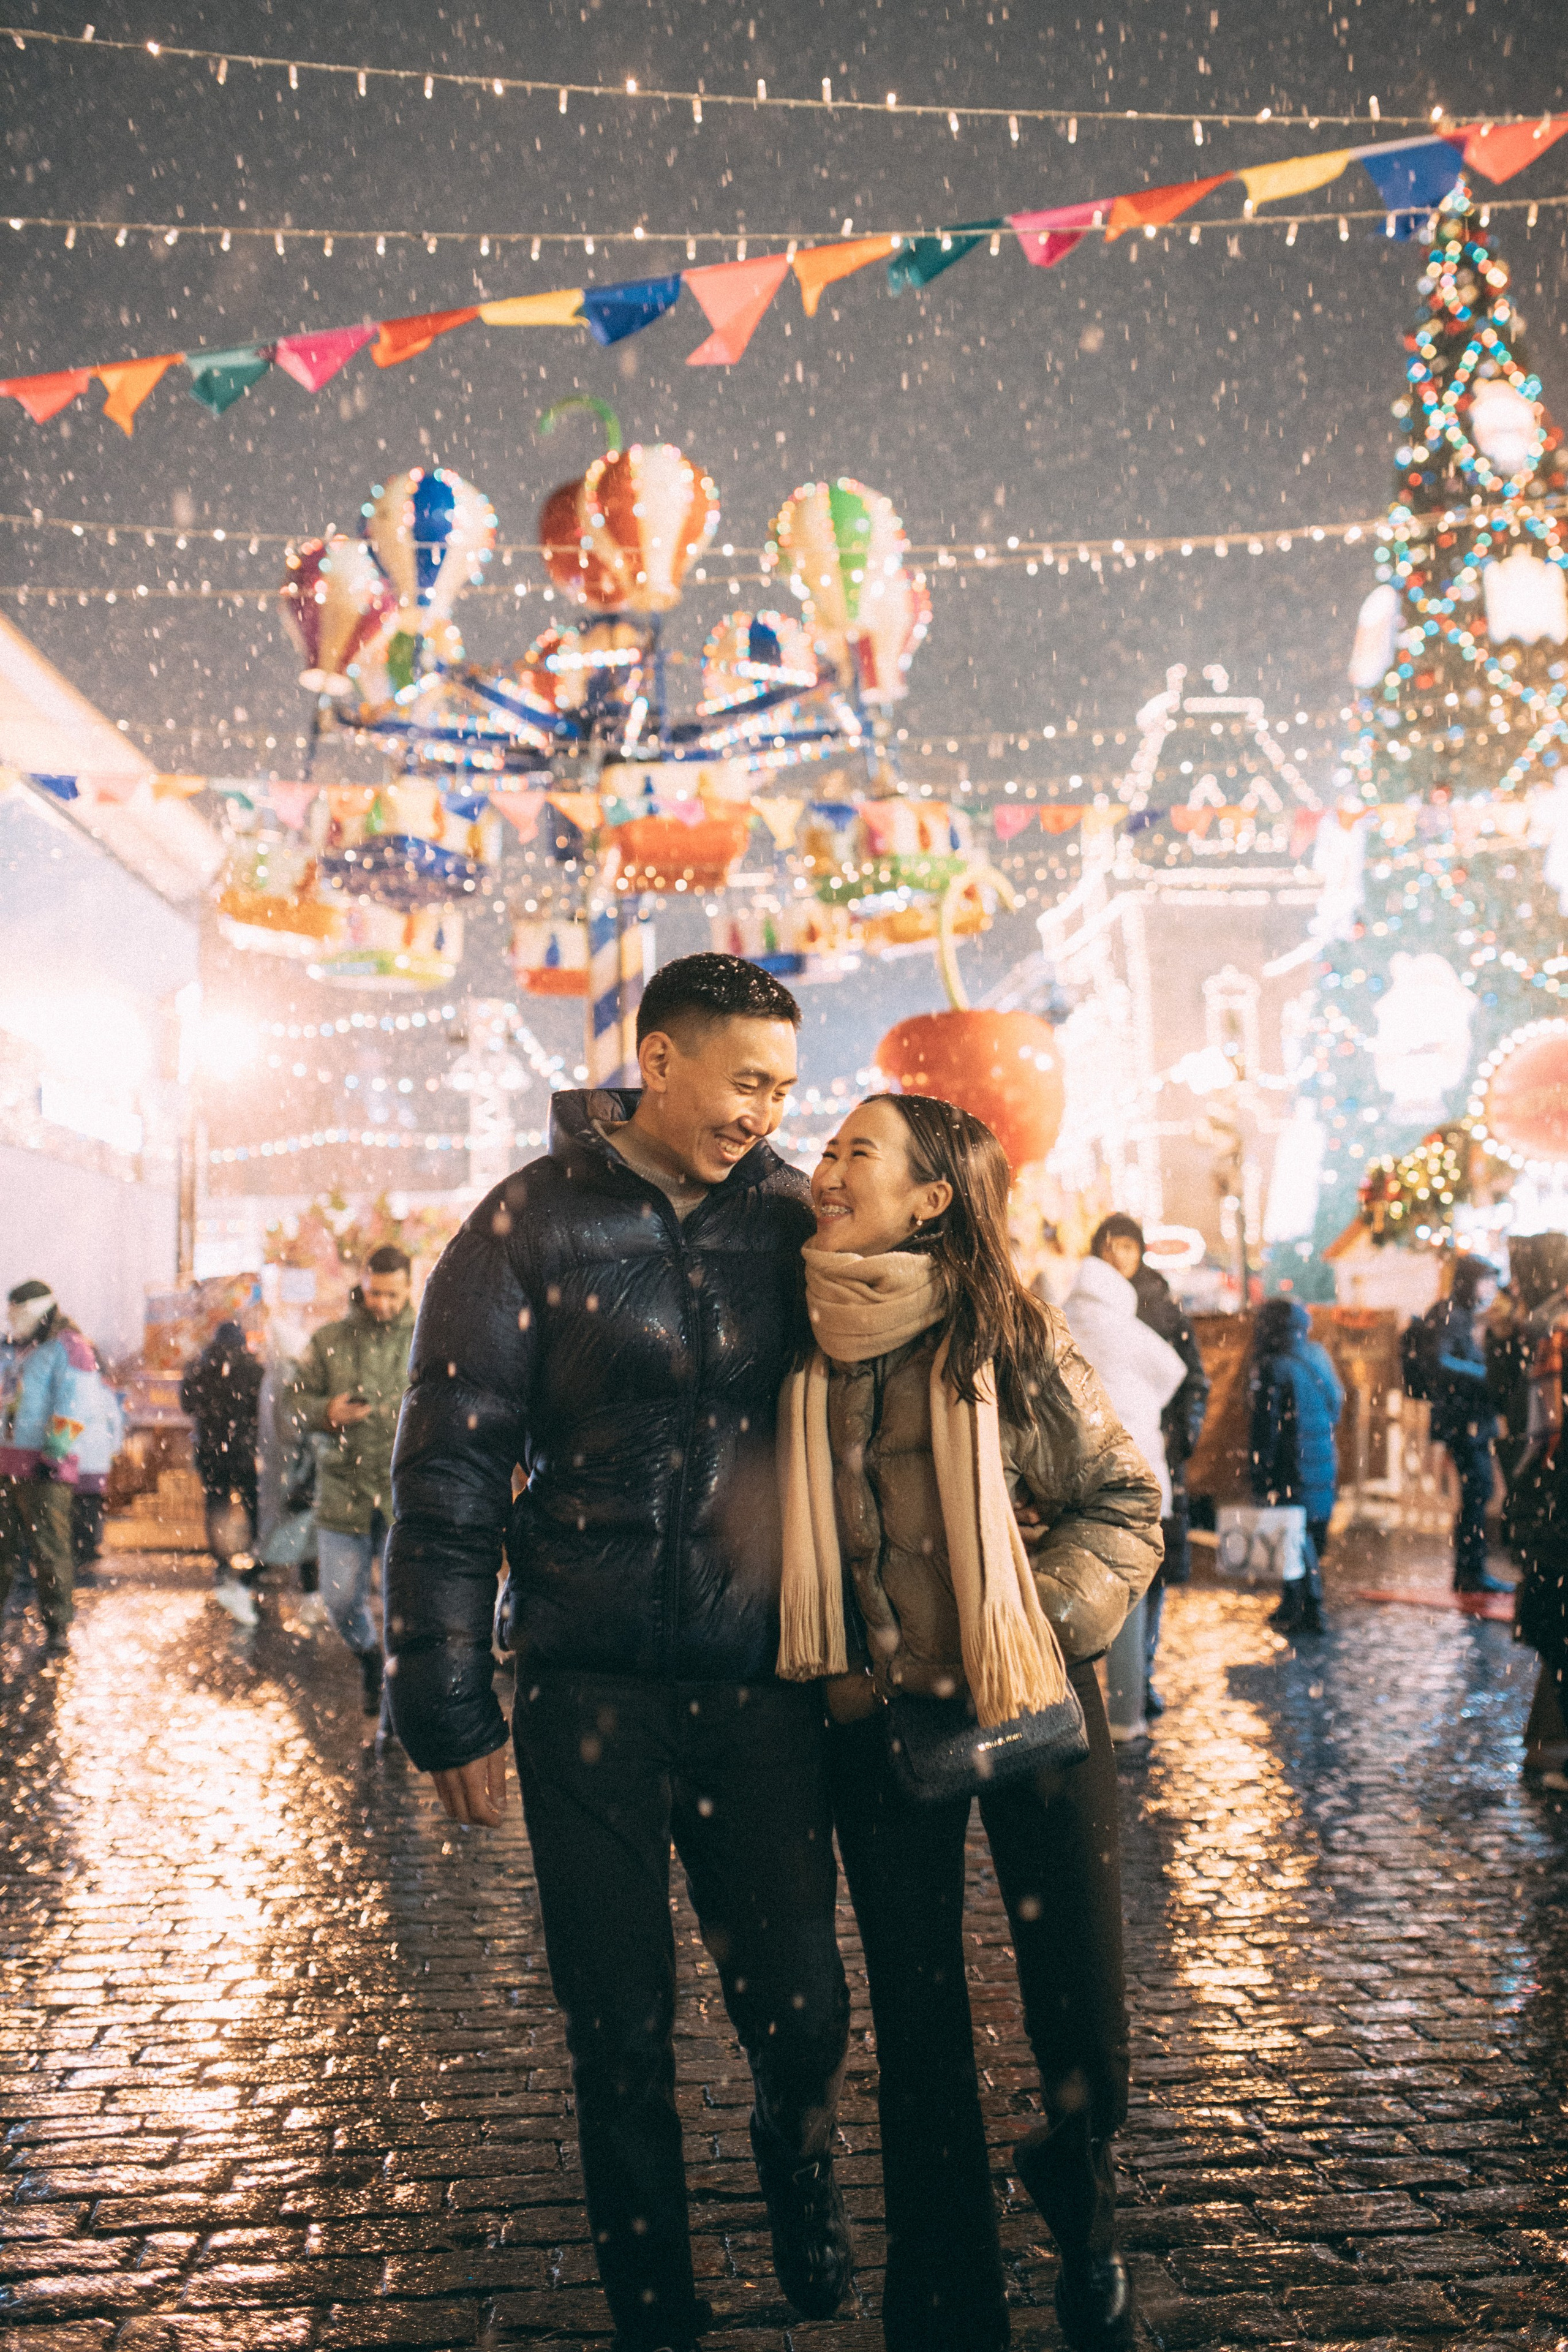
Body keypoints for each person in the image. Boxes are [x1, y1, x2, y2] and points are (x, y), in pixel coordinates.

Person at [385, 954, 853, 2352]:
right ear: (658, 1059)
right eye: (745, 1079)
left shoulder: (790, 1219)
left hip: (760, 1678)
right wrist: (446, 1701)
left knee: (803, 2003)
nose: (766, 1111)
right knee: (617, 2020)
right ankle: (657, 2312)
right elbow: (449, 1465)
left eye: (782, 1084)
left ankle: (795, 2136)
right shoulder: (524, 1224)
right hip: (585, 1684)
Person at [779, 1095, 1162, 2352]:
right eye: (825, 1151)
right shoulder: (797, 1339)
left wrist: (1032, 1623)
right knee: (919, 2024)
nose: (827, 1172)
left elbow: (1121, 1502)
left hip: (1033, 1707)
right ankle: (943, 2307)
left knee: (1081, 2009)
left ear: (932, 1196)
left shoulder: (1002, 1332)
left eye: (856, 1154)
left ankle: (1079, 2177)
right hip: (876, 1725)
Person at [1063, 1226, 1186, 1741]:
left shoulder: (1060, 1322)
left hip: (1073, 1477)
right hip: (1135, 1474)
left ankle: (1067, 1715)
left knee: (1069, 1588)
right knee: (1133, 1591)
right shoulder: (1134, 1328)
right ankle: (1125, 1714)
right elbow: (1175, 1373)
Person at [1090, 1216, 1210, 1717]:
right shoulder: (1085, 1307)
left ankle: (1138, 1676)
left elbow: (1192, 1381)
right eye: (1110, 1246)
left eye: (1128, 1245)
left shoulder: (1160, 1305)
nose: (1120, 1255)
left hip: (1154, 1459)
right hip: (1097, 1460)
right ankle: (1114, 1685)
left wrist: (1174, 1442)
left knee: (1151, 1574)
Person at [290, 1246, 414, 1712]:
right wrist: (326, 1412)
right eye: (374, 1292)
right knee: (339, 1602)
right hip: (344, 1490)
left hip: (404, 1492)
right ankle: (369, 1657)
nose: (382, 1303)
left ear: (408, 1288)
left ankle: (399, 1689)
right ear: (361, 1283)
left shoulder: (428, 1338)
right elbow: (290, 1405)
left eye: (392, 1294)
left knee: (408, 1607)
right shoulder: (328, 1341)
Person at [0, 1280, 102, 1657]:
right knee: (3, 1548)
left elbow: (76, 1403)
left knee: (48, 1549)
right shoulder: (26, 1349)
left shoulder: (70, 1347)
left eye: (17, 1312)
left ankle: (58, 1625)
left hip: (44, 1468)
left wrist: (54, 1454)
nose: (11, 1320)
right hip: (7, 1465)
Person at [1248, 1297, 1344, 1635]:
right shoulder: (1317, 1355)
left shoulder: (1271, 1364)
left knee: (1294, 1532)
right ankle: (1294, 1602)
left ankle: (1311, 1608)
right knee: (1308, 1533)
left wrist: (1260, 1470)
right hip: (1321, 1458)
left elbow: (1265, 1426)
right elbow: (1337, 1403)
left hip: (1291, 1463)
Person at [1417, 1254, 1508, 1597]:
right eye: (1486, 1280)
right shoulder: (1450, 1313)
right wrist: (1487, 1376)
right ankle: (1471, 1571)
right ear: (1470, 1281)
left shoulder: (1461, 1314)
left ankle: (1471, 1569)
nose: (1492, 1288)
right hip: (1463, 1418)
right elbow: (1438, 1361)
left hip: (1470, 1418)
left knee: (1478, 1492)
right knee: (1477, 1491)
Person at [181, 1320, 265, 1626]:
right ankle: (257, 1559)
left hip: (210, 1452)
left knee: (216, 1506)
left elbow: (187, 1404)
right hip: (243, 1452)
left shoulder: (201, 1367)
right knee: (253, 1505)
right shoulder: (253, 1368)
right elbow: (261, 1410)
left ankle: (222, 1565)